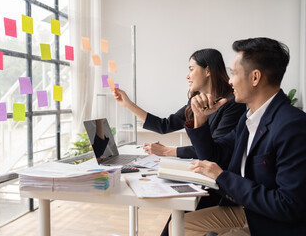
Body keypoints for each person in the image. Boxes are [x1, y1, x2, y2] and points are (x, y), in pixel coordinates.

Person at [177, 37, 306, 235]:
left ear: (255, 77)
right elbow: (214, 156)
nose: (229, 80)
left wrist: (222, 177)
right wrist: (200, 119)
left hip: (273, 224)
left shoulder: (292, 125)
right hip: (247, 210)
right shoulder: (249, 119)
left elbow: (288, 206)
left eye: (234, 73)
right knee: (178, 227)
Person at [113, 48, 245, 159]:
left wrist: (167, 151)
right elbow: (164, 125)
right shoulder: (196, 101)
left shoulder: (233, 103)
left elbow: (214, 150)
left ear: (208, 71)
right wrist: (128, 104)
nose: (188, 76)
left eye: (191, 69)